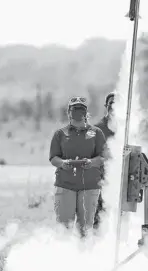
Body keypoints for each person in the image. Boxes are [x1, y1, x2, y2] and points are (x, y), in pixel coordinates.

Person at [49, 96, 107, 237]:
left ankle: (83, 256)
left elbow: (103, 156)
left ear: (86, 113)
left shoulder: (96, 133)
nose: (77, 112)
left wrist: (91, 162)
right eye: (74, 109)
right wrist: (63, 163)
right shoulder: (60, 134)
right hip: (65, 185)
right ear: (69, 112)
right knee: (64, 228)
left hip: (89, 186)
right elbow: (53, 158)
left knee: (85, 228)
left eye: (81, 109)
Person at [93, 92, 116, 231]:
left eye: (116, 104)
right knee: (99, 216)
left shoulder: (126, 129)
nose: (113, 108)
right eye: (110, 104)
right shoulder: (98, 129)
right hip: (101, 180)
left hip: (120, 179)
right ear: (106, 107)